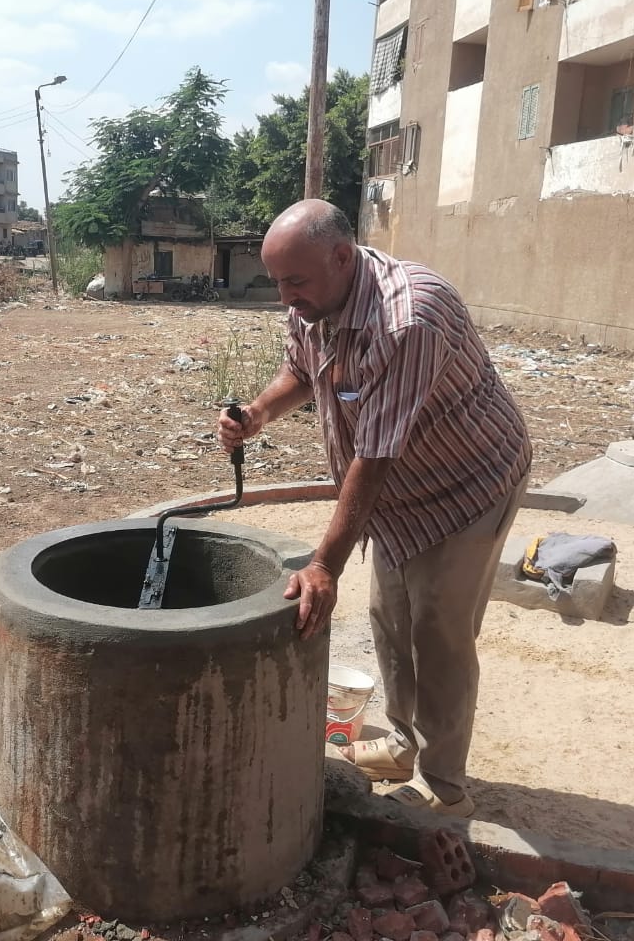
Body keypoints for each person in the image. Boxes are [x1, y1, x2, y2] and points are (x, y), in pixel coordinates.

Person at [218, 199, 531, 817]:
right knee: (392, 620)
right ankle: (402, 744)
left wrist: (323, 563)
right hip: (398, 496)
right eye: (277, 282)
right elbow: (302, 370)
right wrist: (258, 412)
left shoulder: (408, 318)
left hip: (467, 485)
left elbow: (375, 455)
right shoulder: (316, 300)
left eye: (295, 282)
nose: (285, 298)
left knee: (439, 633)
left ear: (342, 257)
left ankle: (445, 787)